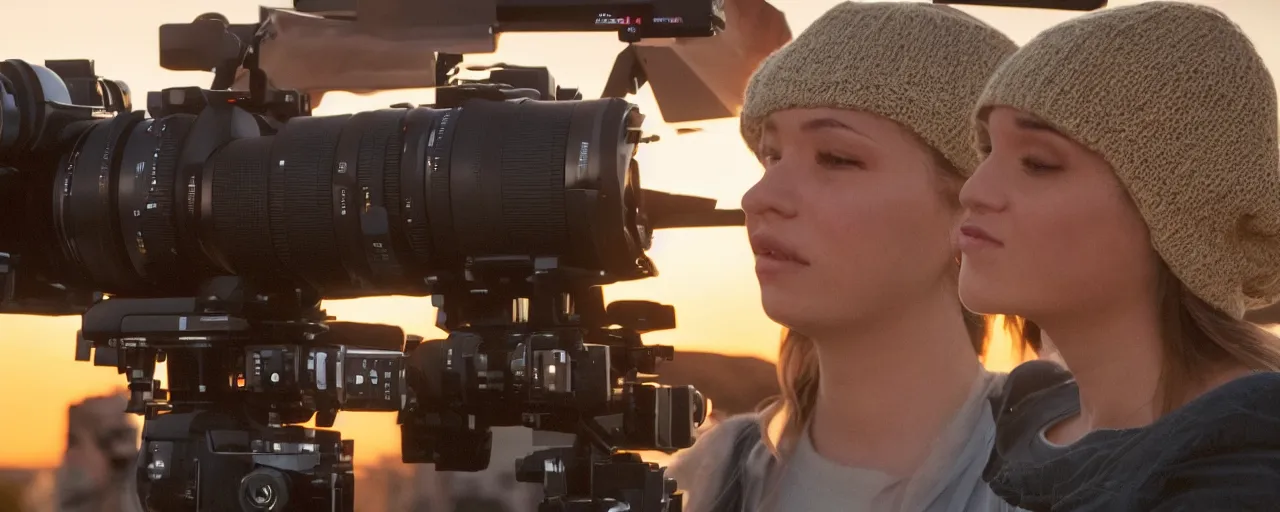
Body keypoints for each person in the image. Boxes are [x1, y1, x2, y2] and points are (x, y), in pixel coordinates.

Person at [665, 3, 1028, 511]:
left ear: (974, 208)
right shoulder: (714, 475)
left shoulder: (1067, 478)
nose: (758, 198)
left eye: (836, 158)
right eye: (772, 156)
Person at [957, 2, 1280, 510]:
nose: (974, 190)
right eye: (986, 151)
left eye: (1037, 164)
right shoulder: (1026, 412)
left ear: (1178, 213)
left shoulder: (1244, 469)